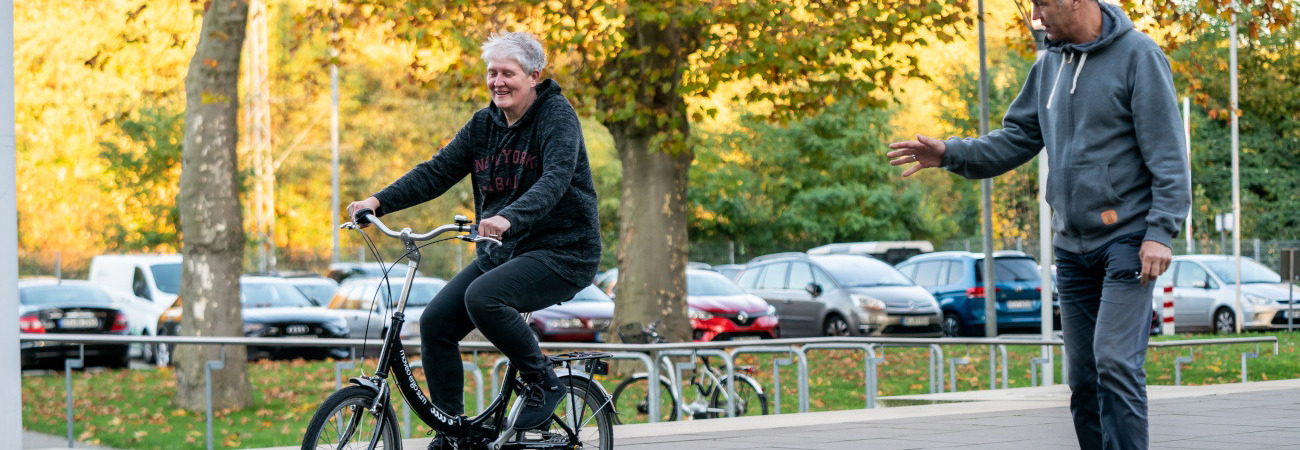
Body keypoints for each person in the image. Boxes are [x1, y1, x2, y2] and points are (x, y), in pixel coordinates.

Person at [887, 1, 1189, 449]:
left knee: (1115, 362)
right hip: (1071, 246)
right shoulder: (1050, 63)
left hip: (1127, 238)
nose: (1036, 16)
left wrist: (1160, 231)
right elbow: (1016, 138)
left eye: (1042, 4)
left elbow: (1169, 154)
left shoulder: (1139, 57)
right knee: (1083, 377)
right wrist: (950, 154)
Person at [346, 31, 601, 449]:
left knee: (483, 298)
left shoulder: (557, 116)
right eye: (492, 73)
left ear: (534, 76)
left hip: (562, 252)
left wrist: (508, 217)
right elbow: (436, 171)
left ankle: (543, 382)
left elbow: (556, 180)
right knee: (435, 323)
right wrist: (378, 202)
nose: (498, 81)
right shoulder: (484, 125)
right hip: (503, 253)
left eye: (508, 73)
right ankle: (454, 432)